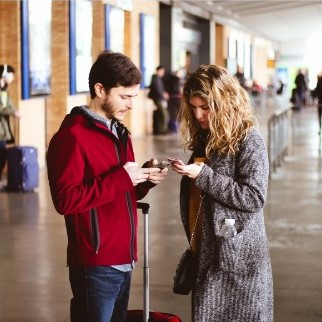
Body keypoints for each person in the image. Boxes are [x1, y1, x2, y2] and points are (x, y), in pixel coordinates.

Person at [46, 51, 168, 322]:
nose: (131, 105)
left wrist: (144, 180)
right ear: (100, 89)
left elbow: (120, 190)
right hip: (95, 263)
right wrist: (123, 178)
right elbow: (65, 200)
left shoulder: (119, 132)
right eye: (124, 97)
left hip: (125, 257)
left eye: (134, 97)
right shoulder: (72, 137)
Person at [170, 64, 273, 321]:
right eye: (194, 108)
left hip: (240, 260)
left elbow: (254, 196)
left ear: (225, 102)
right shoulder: (206, 139)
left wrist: (204, 176)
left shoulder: (249, 141)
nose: (199, 115)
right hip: (208, 255)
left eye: (205, 107)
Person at [0, 64, 21, 181]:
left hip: (3, 127)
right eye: (11, 75)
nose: (12, 78)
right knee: (2, 153)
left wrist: (15, 111)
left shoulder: (5, 90)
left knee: (3, 153)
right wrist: (13, 112)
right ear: (4, 74)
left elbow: (8, 104)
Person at [148, 65, 169, 135]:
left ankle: (159, 129)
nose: (163, 73)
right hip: (158, 99)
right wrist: (163, 96)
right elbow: (158, 90)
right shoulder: (155, 78)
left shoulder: (158, 78)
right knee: (164, 114)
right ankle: (163, 130)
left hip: (159, 98)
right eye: (162, 71)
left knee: (159, 114)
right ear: (158, 71)